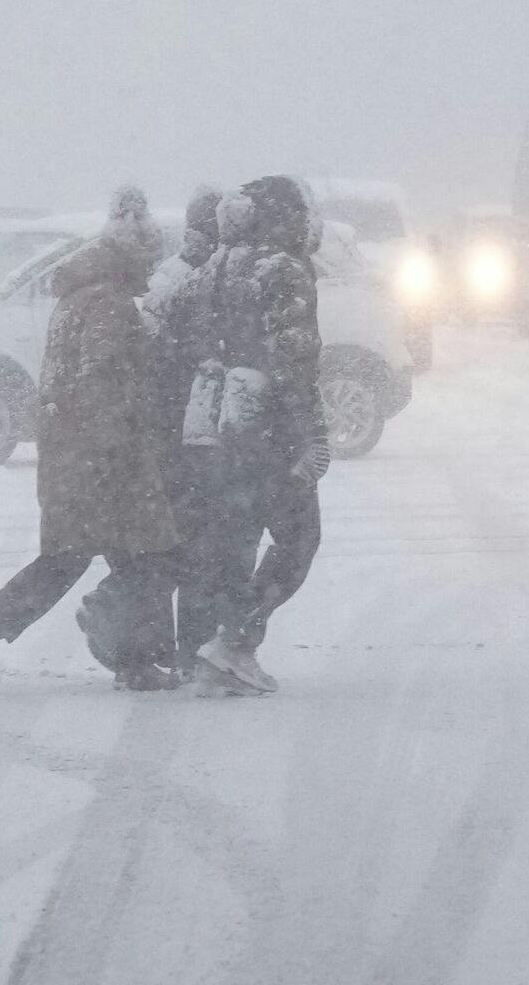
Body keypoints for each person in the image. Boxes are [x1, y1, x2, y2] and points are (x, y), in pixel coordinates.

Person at [0, 188, 183, 691]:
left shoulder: (80, 296)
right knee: (144, 558)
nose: (152, 272)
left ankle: (133, 660)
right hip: (103, 461)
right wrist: (120, 450)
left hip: (73, 456)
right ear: (133, 255)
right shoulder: (110, 304)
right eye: (149, 260)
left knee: (94, 558)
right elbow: (102, 383)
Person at [156, 175, 332, 694]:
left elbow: (178, 332)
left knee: (230, 541)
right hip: (268, 429)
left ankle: (204, 652)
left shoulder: (218, 264)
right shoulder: (284, 269)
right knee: (299, 537)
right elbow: (293, 359)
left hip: (214, 426)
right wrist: (312, 436)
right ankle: (234, 643)